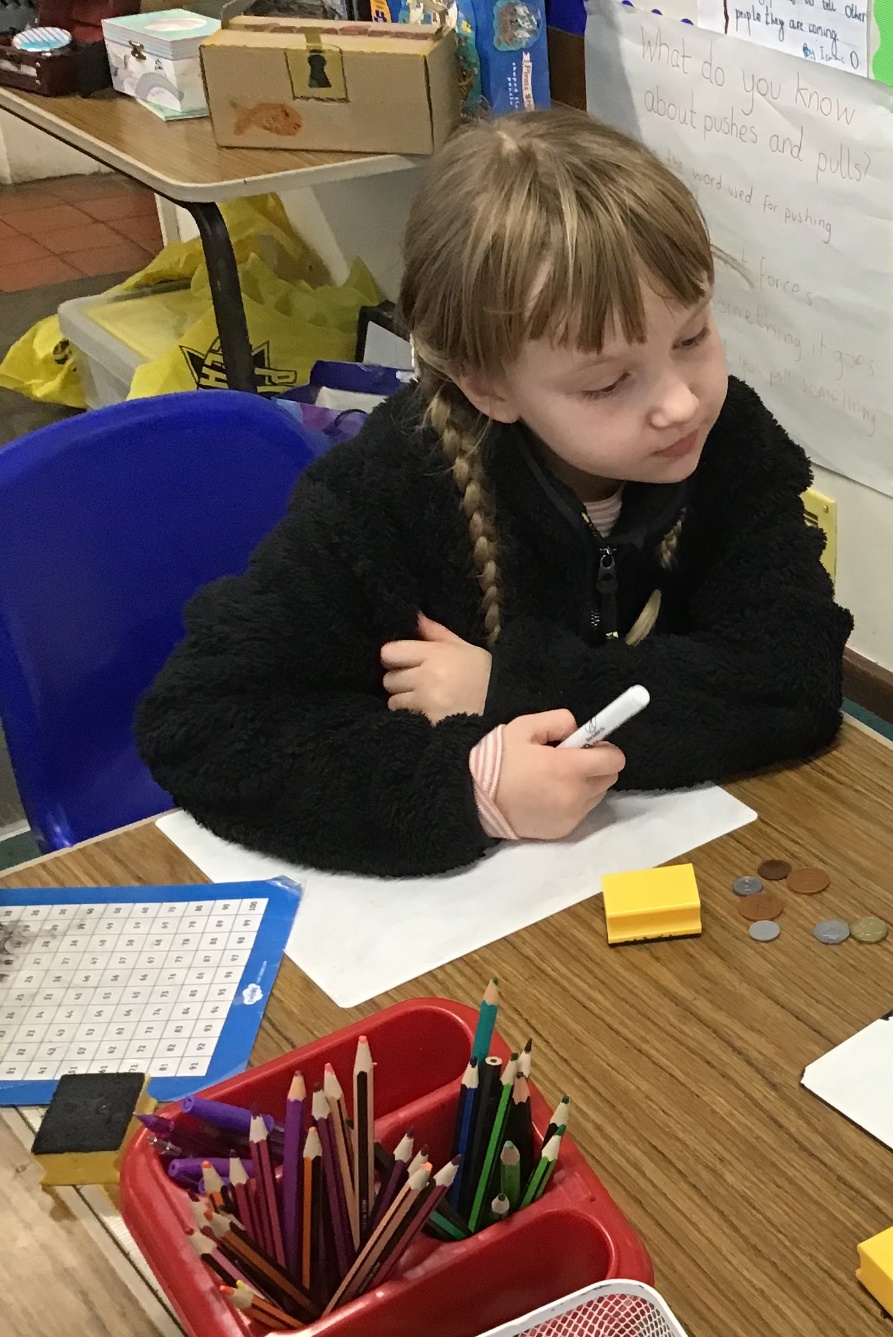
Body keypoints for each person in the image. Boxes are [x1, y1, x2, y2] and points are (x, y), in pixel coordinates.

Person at [138, 110, 851, 876]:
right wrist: (469, 786)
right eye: (608, 382)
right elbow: (202, 720)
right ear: (488, 386)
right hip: (445, 910)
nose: (681, 402)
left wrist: (508, 687)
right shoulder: (390, 488)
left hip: (664, 861)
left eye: (692, 337)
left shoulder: (731, 440)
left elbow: (793, 680)